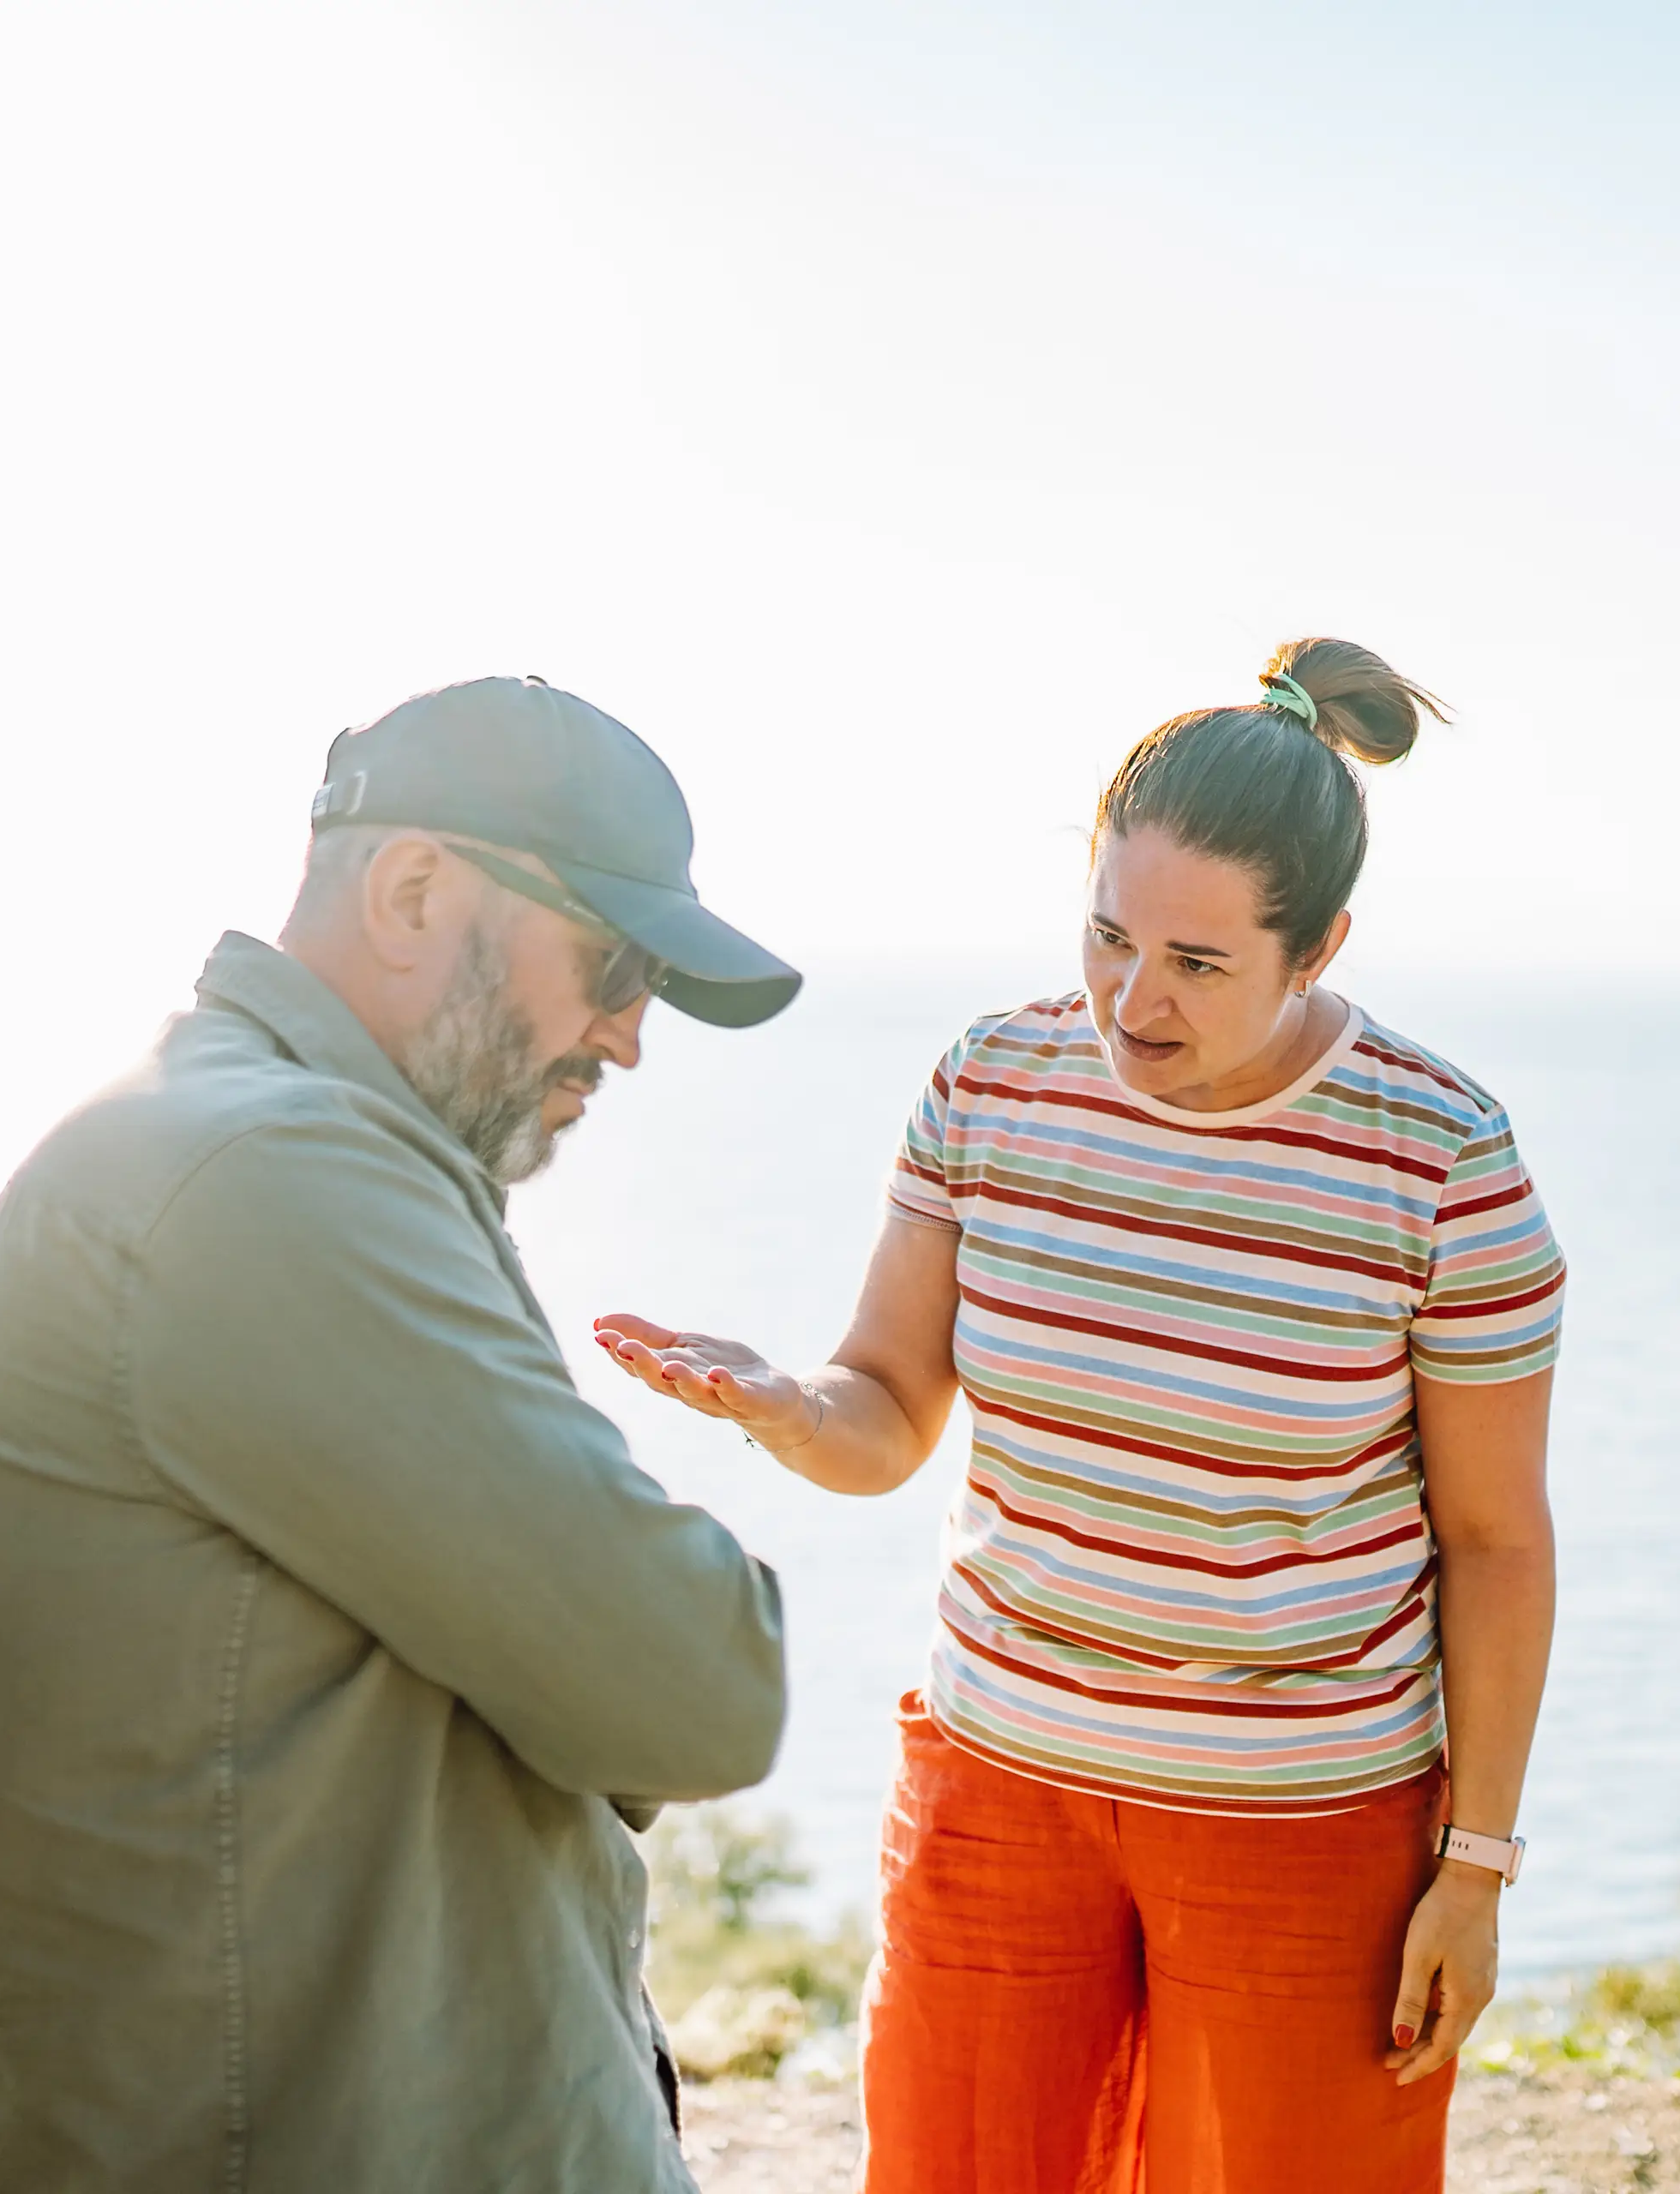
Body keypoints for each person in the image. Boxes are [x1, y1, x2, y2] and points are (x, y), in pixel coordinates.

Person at [598, 639, 1565, 2194]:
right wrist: (785, 1406)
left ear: (1317, 948)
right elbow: (886, 1407)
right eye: (1110, 935)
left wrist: (1478, 1869)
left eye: (1198, 963)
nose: (1133, 998)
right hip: (999, 1789)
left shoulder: (1440, 1157)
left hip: (1306, 1824)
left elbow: (1495, 1539)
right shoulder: (992, 1084)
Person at [0, 676, 804, 2191]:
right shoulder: (272, 1174)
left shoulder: (237, 1136)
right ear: (414, 892)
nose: (629, 1037)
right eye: (614, 961)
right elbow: (699, 1686)